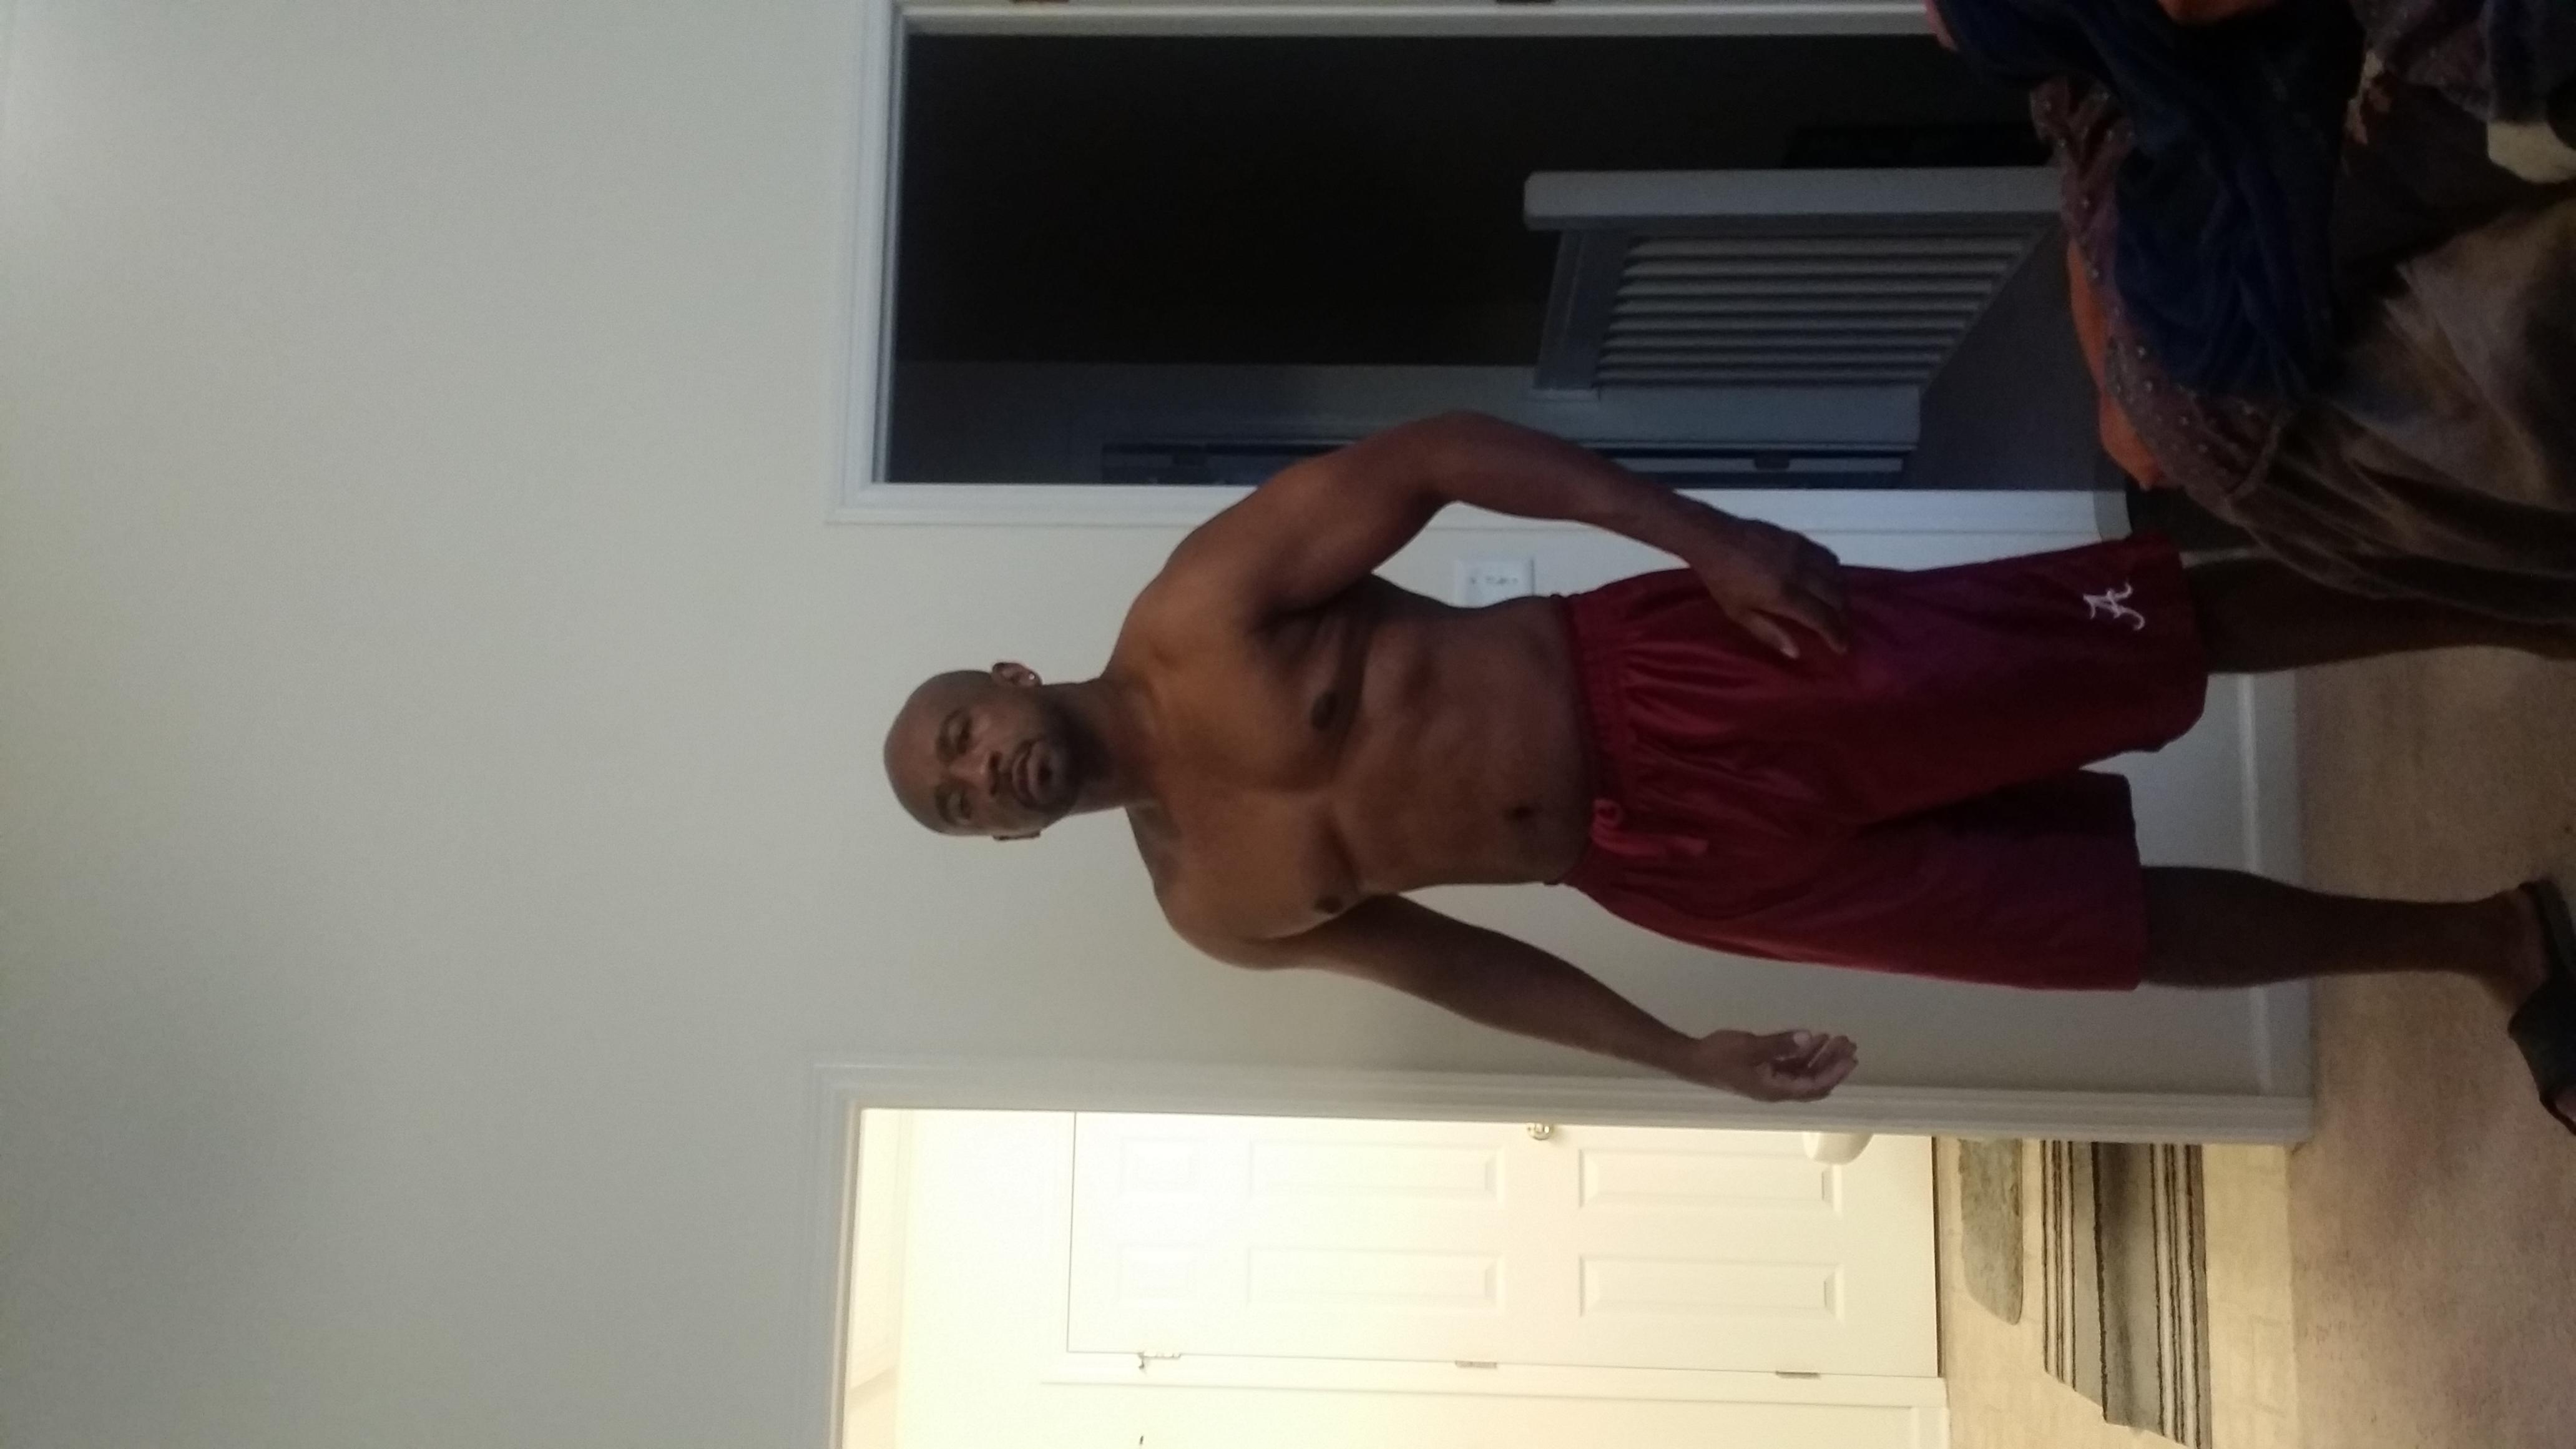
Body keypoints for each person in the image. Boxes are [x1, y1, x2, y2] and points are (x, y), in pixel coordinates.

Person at [881, 412, 2576, 1128]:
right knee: (2082, 931)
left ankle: (2509, 595)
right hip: (1665, 864)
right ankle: (2488, 941)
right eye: (959, 802)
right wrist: (1670, 1050)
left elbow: (1438, 452)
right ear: (998, 839)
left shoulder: (1193, 615)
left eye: (960, 734)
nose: (982, 775)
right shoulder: (1213, 906)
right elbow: (1461, 964)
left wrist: (1704, 539)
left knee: (2121, 642)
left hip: (1666, 675)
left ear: (1005, 680)